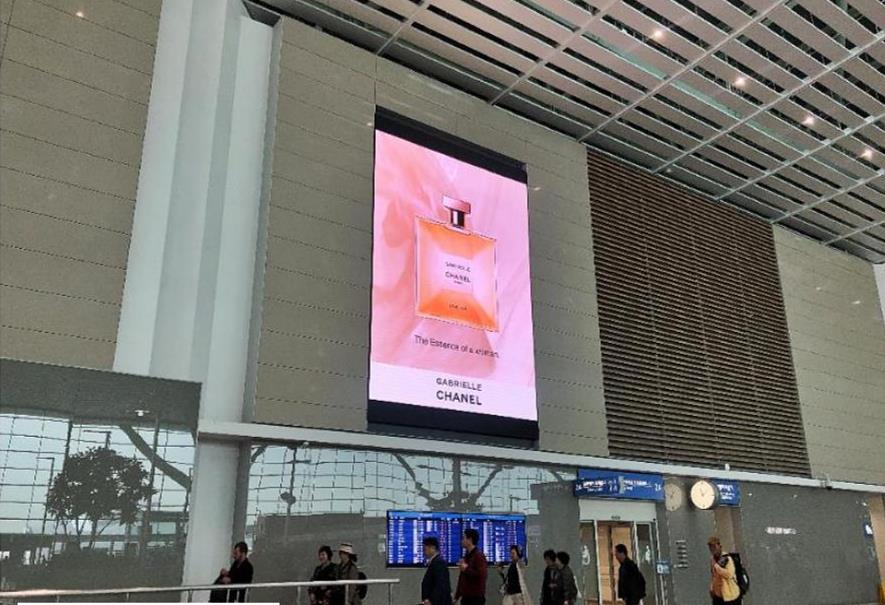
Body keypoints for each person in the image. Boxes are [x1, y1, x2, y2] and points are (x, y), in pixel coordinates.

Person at [455, 528, 488, 605]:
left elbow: (482, 575)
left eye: (463, 538)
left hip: (475, 598)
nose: (461, 541)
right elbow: (462, 578)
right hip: (466, 597)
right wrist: (457, 596)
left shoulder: (479, 556)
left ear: (470, 540)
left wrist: (466, 569)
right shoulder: (467, 556)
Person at [708, 537, 741, 605]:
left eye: (715, 547)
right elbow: (714, 575)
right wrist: (712, 587)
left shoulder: (727, 558)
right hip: (718, 595)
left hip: (731, 596)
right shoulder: (713, 559)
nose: (713, 550)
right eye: (711, 548)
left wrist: (717, 567)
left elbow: (729, 574)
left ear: (720, 546)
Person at [422, 536, 453, 605]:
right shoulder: (435, 562)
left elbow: (440, 584)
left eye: (425, 549)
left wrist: (431, 600)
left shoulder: (438, 562)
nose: (424, 552)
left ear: (432, 548)